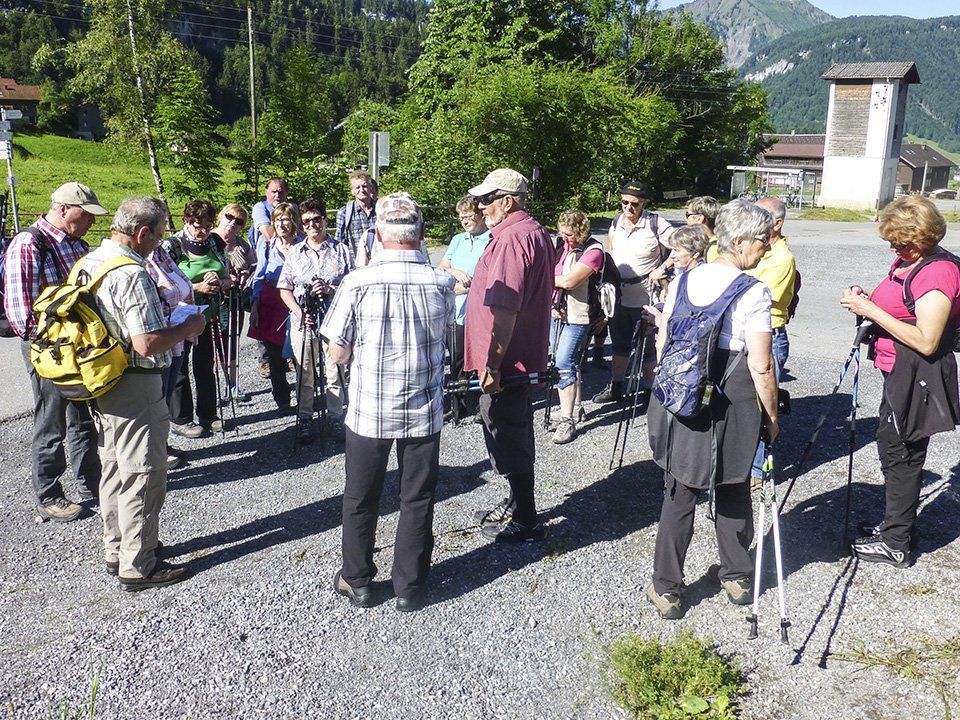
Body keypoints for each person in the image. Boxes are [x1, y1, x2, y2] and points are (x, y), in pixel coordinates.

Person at [321, 192, 455, 612]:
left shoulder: (358, 282)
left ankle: (358, 580)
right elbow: (448, 336)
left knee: (361, 496)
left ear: (378, 235)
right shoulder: (441, 283)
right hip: (423, 410)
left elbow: (337, 352)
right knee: (417, 497)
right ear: (421, 234)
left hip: (370, 410)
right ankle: (409, 587)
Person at [646, 199, 778, 620]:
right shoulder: (754, 291)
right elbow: (762, 364)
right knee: (734, 481)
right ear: (738, 242)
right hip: (733, 392)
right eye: (762, 240)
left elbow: (664, 339)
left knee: (680, 488)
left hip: (684, 392)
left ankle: (666, 587)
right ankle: (736, 575)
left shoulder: (685, 279)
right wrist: (772, 418)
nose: (767, 246)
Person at [80, 196, 206, 590]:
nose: (159, 243)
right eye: (159, 235)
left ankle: (117, 546)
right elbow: (147, 343)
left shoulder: (90, 262)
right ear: (142, 233)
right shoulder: (131, 273)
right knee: (143, 471)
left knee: (114, 466)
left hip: (102, 380)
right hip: (135, 383)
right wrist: (189, 327)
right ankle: (139, 563)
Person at [840, 196, 960, 568]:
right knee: (894, 447)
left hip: (917, 374)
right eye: (891, 242)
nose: (895, 249)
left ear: (924, 236)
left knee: (902, 453)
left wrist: (871, 310)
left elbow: (927, 340)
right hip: (899, 371)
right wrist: (868, 299)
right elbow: (900, 307)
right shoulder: (913, 260)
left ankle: (896, 543)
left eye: (901, 243)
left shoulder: (938, 272)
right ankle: (897, 528)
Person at [3, 182, 106, 522]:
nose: (91, 221)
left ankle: (91, 484)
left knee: (83, 417)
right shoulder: (29, 243)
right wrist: (56, 343)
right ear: (63, 209)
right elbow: (21, 313)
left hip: (80, 345)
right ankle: (48, 494)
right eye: (86, 214)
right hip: (49, 349)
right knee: (51, 420)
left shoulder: (78, 244)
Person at [464, 168, 554, 543]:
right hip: (517, 357)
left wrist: (493, 364)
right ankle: (518, 505)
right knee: (513, 426)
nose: (480, 206)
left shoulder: (512, 238)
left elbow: (506, 309)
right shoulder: (529, 231)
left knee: (507, 431)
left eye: (487, 199)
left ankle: (526, 519)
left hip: (509, 361)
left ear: (507, 201)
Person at [278, 197, 354, 444]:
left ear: (325, 220)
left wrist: (330, 289)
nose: (312, 225)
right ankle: (305, 419)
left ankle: (335, 416)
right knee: (305, 372)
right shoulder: (294, 252)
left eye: (316, 220)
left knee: (335, 370)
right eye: (306, 221)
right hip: (304, 320)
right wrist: (300, 313)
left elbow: (353, 285)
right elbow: (284, 288)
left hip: (335, 319)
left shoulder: (341, 250)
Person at [594, 180, 674, 404]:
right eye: (624, 202)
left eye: (634, 204)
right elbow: (612, 249)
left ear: (644, 203)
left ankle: (648, 393)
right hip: (619, 296)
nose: (628, 207)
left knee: (647, 349)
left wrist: (662, 268)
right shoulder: (617, 221)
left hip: (646, 297)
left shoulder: (656, 223)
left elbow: (682, 247)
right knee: (619, 345)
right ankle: (616, 387)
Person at [168, 200, 230, 438]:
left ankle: (208, 414)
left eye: (207, 225)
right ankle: (181, 419)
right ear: (186, 221)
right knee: (180, 365)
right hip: (181, 316)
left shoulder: (215, 242)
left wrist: (219, 282)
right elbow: (165, 284)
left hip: (209, 314)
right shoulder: (172, 246)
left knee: (205, 365)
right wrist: (197, 287)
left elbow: (228, 277)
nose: (202, 230)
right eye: (197, 225)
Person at [747, 196, 797, 485]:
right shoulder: (757, 249)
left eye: (760, 214)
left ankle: (758, 470)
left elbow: (757, 295)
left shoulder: (782, 259)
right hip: (750, 332)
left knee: (763, 402)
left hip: (770, 335)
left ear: (777, 224)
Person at [550, 210, 603, 444]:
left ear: (581, 232)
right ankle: (576, 406)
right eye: (562, 233)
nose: (565, 238)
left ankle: (566, 420)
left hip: (579, 315)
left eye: (570, 234)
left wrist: (543, 278)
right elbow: (557, 278)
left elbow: (570, 281)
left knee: (563, 363)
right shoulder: (560, 246)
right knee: (567, 361)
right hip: (556, 312)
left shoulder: (594, 251)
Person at [438, 194, 491, 420]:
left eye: (468, 216)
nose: (464, 221)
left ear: (480, 214)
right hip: (456, 310)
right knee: (457, 359)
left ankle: (484, 404)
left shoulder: (491, 239)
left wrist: (469, 286)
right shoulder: (458, 240)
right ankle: (457, 404)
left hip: (480, 310)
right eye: (461, 217)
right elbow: (442, 266)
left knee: (482, 358)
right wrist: (455, 272)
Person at [145, 234, 195, 469]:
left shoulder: (161, 253)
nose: (163, 234)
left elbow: (180, 285)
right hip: (160, 337)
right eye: (160, 227)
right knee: (157, 397)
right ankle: (155, 451)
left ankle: (161, 444)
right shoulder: (144, 260)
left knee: (164, 397)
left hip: (176, 333)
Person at [248, 202, 301, 412]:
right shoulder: (267, 244)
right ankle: (283, 401)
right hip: (271, 301)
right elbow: (259, 274)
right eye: (277, 220)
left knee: (301, 353)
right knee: (275, 356)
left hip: (295, 300)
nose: (281, 224)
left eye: (285, 219)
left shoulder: (301, 244)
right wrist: (254, 304)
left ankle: (305, 399)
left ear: (293, 222)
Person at [210, 203, 255, 403]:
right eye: (230, 217)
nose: (233, 223)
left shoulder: (241, 244)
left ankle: (233, 384)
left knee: (232, 342)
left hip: (235, 299)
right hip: (213, 300)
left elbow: (253, 265)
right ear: (221, 216)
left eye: (239, 221)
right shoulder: (208, 240)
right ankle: (213, 387)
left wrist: (244, 275)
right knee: (213, 344)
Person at [250, 178, 291, 378]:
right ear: (266, 191)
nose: (277, 195)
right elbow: (267, 233)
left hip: (290, 289)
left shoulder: (292, 208)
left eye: (281, 191)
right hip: (270, 281)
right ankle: (267, 361)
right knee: (269, 337)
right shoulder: (260, 208)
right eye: (273, 191)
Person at [643, 224, 712, 328]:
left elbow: (689, 322)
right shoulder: (685, 274)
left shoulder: (698, 280)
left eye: (677, 250)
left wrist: (659, 320)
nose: (671, 255)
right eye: (672, 250)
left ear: (695, 253)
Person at [334, 170, 377, 259]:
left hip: (378, 261)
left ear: (371, 188)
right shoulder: (345, 212)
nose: (362, 190)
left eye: (364, 186)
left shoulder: (381, 209)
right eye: (357, 187)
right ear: (352, 191)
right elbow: (339, 241)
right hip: (355, 263)